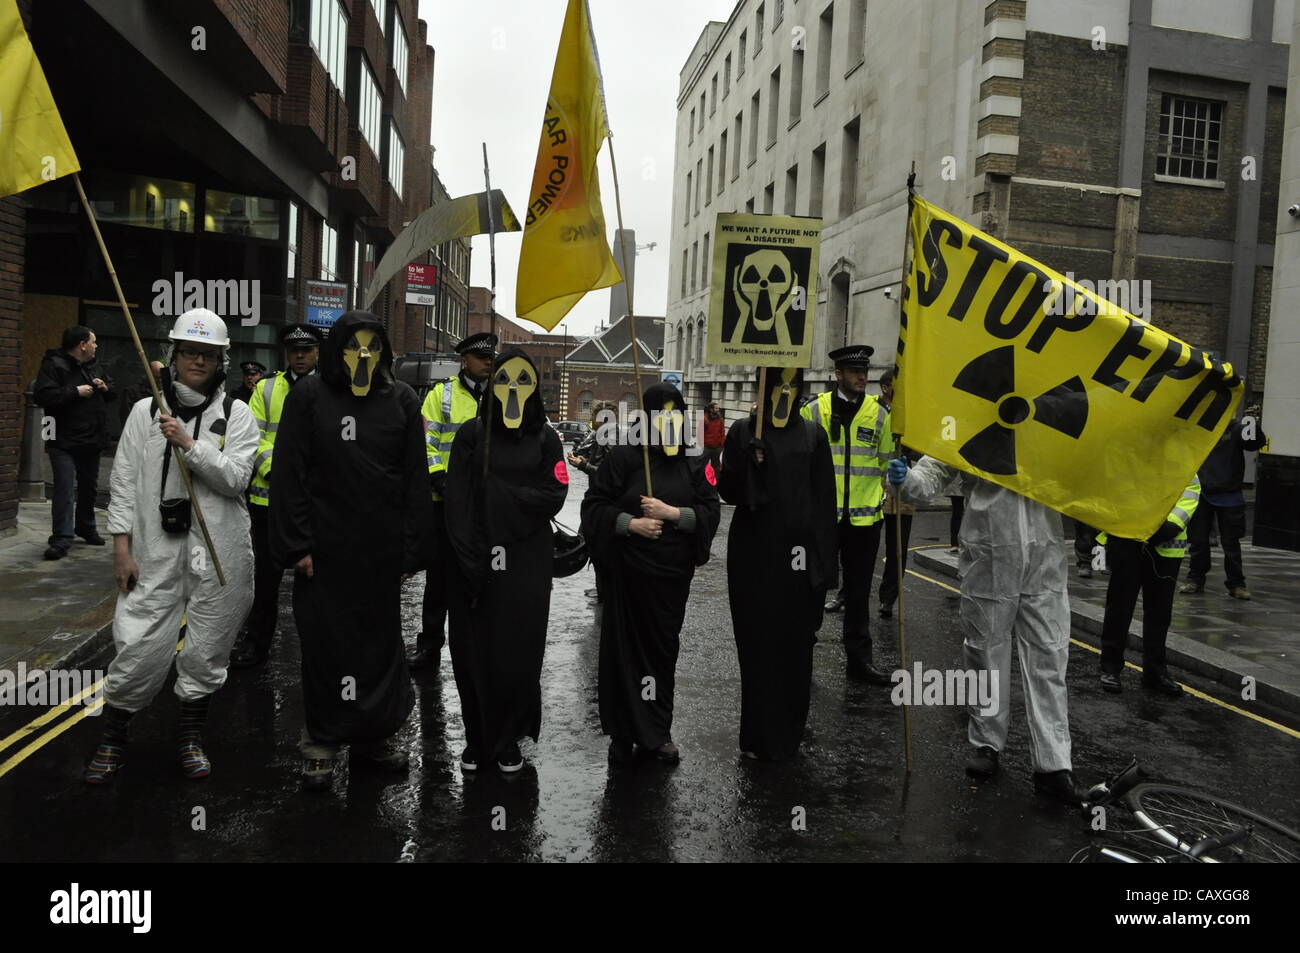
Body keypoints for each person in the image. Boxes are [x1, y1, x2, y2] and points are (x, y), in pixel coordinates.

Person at [83, 309, 259, 784]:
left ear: (221, 359)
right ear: (173, 356)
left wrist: (190, 444)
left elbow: (236, 478)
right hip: (155, 549)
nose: (197, 361)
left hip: (221, 552)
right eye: (189, 352)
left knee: (207, 650)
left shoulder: (238, 415)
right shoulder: (145, 412)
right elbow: (121, 483)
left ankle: (189, 738)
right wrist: (121, 547)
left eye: (207, 354)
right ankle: (113, 739)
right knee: (137, 643)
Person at [269, 310, 429, 791]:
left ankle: (372, 739)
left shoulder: (401, 399)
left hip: (378, 557)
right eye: (354, 345)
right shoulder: (310, 396)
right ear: (337, 349)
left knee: (378, 650)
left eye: (372, 346)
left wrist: (410, 552)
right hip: (324, 553)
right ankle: (320, 742)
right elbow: (289, 474)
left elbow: (414, 483)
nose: (364, 355)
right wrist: (297, 545)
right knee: (326, 648)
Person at [889, 456, 1080, 803]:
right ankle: (987, 743)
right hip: (989, 553)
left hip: (1044, 557)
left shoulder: (1052, 411)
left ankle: (1054, 764)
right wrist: (908, 480)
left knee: (1049, 655)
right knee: (985, 651)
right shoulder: (970, 414)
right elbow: (935, 471)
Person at [581, 382, 721, 766]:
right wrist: (630, 524)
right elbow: (593, 507)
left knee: (660, 655)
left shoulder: (694, 460)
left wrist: (674, 514)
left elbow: (711, 510)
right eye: (663, 412)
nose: (671, 419)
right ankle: (622, 732)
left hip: (670, 579)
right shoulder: (626, 456)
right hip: (627, 577)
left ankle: (656, 732)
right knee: (623, 654)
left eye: (678, 411)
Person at [443, 347, 568, 773]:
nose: (512, 389)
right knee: (474, 650)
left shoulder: (547, 439)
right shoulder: (471, 435)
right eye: (504, 380)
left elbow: (555, 494)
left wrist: (499, 497)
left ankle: (509, 736)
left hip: (526, 563)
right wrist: (469, 554)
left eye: (522, 381)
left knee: (518, 651)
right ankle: (478, 738)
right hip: (475, 559)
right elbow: (456, 503)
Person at [717, 366, 836, 760]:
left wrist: (824, 571)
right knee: (756, 646)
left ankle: (788, 735)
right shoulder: (742, 433)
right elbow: (730, 490)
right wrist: (747, 461)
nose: (784, 392)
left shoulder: (813, 436)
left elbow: (823, 504)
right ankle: (756, 735)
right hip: (754, 555)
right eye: (777, 384)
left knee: (795, 647)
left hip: (799, 560)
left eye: (791, 384)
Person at [230, 324, 323, 668]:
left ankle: (313, 652)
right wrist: (281, 472)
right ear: (286, 353)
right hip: (267, 504)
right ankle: (256, 645)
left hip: (312, 507)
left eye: (307, 349)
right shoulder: (266, 389)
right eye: (294, 350)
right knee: (264, 584)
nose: (300, 356)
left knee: (312, 584)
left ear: (317, 352)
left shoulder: (329, 389)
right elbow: (252, 438)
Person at [800, 344, 895, 684]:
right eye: (855, 372)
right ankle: (801, 655)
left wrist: (893, 483)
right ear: (837, 374)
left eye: (864, 371)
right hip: (823, 518)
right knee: (812, 587)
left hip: (864, 520)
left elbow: (886, 461)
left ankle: (860, 662)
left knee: (858, 592)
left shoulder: (880, 412)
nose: (862, 377)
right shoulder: (815, 410)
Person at [410, 331, 497, 671]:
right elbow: (426, 439)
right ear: (465, 360)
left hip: (486, 505)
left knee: (486, 575)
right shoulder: (441, 395)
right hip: (445, 501)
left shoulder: (502, 394)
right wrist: (438, 478)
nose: (489, 362)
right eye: (482, 357)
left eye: (492, 356)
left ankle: (481, 646)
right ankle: (430, 646)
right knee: (441, 579)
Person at [1097, 476, 1201, 697]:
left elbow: (1189, 494)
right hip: (1128, 542)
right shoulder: (1135, 453)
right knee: (1119, 608)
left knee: (1159, 614)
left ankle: (1155, 672)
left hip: (1166, 547)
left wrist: (1165, 528)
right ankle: (1110, 668)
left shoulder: (1186, 457)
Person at [35, 326, 116, 560]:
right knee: (64, 488)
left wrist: (104, 387)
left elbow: (112, 394)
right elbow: (43, 396)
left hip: (91, 438)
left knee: (89, 488)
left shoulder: (95, 365)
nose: (96, 346)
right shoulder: (53, 365)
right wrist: (75, 392)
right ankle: (61, 538)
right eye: (94, 341)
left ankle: (86, 527)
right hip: (62, 439)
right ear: (82, 344)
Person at [1181, 408, 1266, 600]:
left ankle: (1236, 584)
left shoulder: (1236, 429)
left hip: (1229, 494)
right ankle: (1195, 579)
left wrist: (1251, 422)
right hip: (1201, 492)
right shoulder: (1200, 428)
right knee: (1198, 541)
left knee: (1231, 542)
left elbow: (1253, 444)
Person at [876, 369, 915, 620]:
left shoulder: (912, 412)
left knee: (897, 546)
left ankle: (888, 598)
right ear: (886, 388)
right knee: (860, 546)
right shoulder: (874, 409)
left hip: (902, 487)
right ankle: (847, 592)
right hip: (873, 487)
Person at [703, 402, 726, 473]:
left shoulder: (720, 419)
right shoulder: (705, 418)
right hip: (706, 447)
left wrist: (721, 444)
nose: (718, 410)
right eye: (716, 408)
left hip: (717, 447)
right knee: (703, 465)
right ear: (711, 409)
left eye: (718, 408)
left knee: (716, 467)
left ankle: (715, 481)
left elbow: (722, 431)